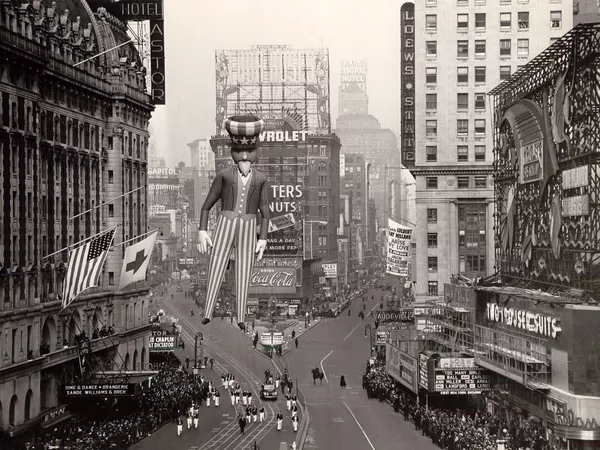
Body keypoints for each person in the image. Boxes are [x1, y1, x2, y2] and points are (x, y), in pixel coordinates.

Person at [198, 115, 270, 331]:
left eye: (249, 151)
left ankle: (241, 315)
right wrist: (202, 229)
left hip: (249, 225)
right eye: (239, 151)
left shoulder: (261, 179)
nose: (245, 156)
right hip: (225, 221)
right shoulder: (224, 175)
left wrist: (263, 238)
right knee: (217, 263)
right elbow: (206, 205)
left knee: (245, 267)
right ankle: (208, 310)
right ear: (233, 151)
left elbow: (265, 212)